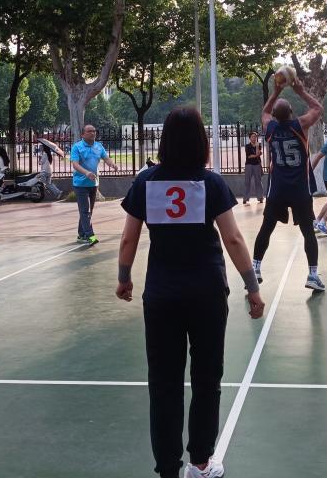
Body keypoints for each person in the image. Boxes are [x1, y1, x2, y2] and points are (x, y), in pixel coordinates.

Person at [116, 107, 264, 478]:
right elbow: (233, 238)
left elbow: (129, 238)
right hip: (206, 294)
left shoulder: (146, 181)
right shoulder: (210, 183)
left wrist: (124, 278)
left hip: (162, 296)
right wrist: (252, 286)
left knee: (163, 384)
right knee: (206, 379)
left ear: (164, 140)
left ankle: (168, 468)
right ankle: (200, 462)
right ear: (201, 141)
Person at [251, 74, 326, 291]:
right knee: (308, 231)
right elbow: (318, 108)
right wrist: (299, 89)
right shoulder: (300, 125)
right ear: (292, 112)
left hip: (278, 189)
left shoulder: (270, 128)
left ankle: (255, 269)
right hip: (300, 189)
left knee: (266, 228)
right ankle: (312, 275)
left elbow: (264, 112)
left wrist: (276, 90)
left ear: (275, 116)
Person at [70, 124, 119, 245]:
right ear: (83, 134)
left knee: (88, 211)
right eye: (89, 131)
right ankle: (90, 236)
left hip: (93, 183)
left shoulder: (99, 146)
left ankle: (81, 234)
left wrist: (112, 164)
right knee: (85, 210)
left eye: (94, 131)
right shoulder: (77, 147)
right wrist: (86, 173)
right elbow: (75, 164)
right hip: (80, 184)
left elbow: (106, 158)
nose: (93, 133)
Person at [241, 131, 264, 205]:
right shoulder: (247, 146)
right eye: (252, 137)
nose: (254, 138)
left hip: (257, 165)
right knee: (247, 182)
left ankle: (260, 197)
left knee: (258, 181)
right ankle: (245, 198)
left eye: (255, 137)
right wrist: (257, 154)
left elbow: (257, 154)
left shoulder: (259, 145)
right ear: (250, 138)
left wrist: (257, 147)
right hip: (249, 165)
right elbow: (249, 156)